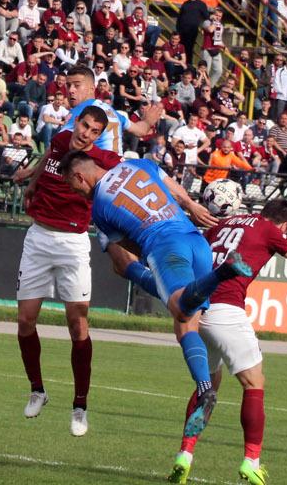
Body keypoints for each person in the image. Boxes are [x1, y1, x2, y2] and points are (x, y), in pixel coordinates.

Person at [62, 106, 249, 480]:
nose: (79, 195)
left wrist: (138, 261)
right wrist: (192, 204)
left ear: (82, 178)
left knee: (180, 307)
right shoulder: (139, 165)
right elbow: (170, 183)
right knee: (186, 324)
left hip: (165, 247)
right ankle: (206, 387)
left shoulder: (99, 207)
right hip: (194, 239)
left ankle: (205, 384)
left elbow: (126, 250)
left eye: (75, 189)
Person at [5, 65, 179, 437]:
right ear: (77, 122)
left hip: (72, 243)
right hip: (38, 238)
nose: (86, 135)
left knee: (77, 325)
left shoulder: (103, 162)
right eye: (84, 127)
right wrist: (31, 184)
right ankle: (37, 390)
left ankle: (80, 406)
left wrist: (185, 202)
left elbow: (147, 168)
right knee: (25, 322)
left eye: (95, 132)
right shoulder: (58, 140)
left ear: (100, 136)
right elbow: (45, 163)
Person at [195, 198, 287, 485]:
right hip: (226, 308)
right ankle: (252, 461)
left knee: (208, 387)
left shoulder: (227, 221)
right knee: (254, 383)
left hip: (198, 307)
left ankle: (184, 455)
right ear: (284, 225)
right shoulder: (269, 229)